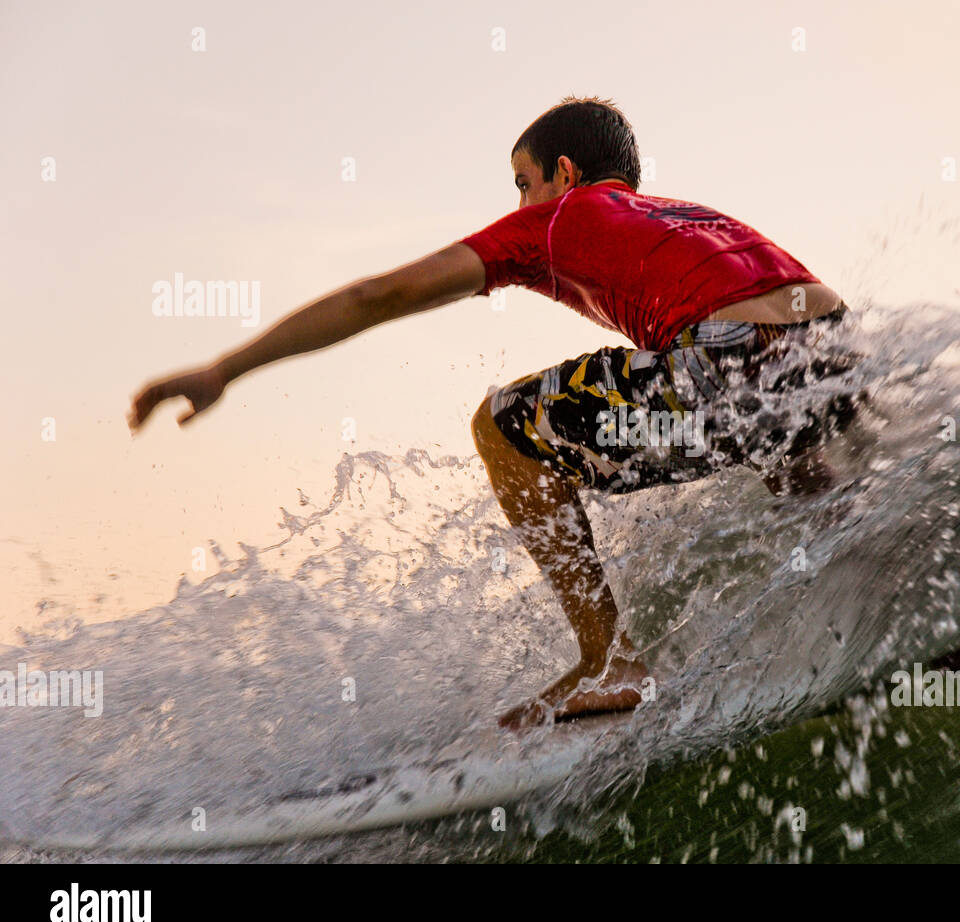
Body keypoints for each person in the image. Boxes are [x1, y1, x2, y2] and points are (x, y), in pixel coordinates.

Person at [128, 95, 864, 730]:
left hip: (726, 356)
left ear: (564, 175)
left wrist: (225, 368)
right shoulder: (691, 218)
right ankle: (869, 586)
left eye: (523, 182)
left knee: (504, 425)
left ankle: (609, 662)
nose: (518, 204)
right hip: (833, 352)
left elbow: (375, 295)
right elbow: (775, 352)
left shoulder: (556, 219)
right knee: (777, 444)